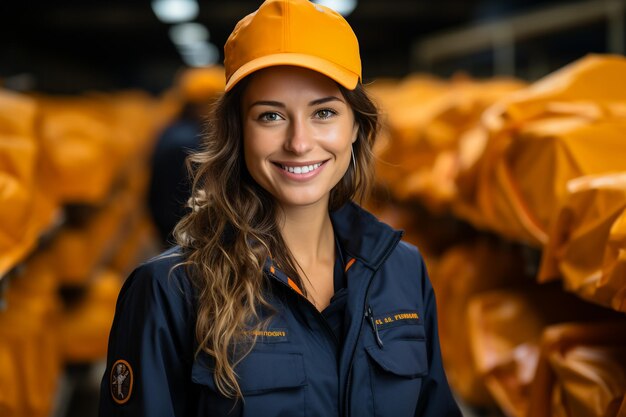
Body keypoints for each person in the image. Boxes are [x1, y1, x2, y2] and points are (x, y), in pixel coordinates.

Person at [99, 0, 462, 416]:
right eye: (271, 116)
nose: (300, 142)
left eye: (323, 112)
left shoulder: (401, 270)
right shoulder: (172, 290)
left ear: (356, 127)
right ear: (236, 132)